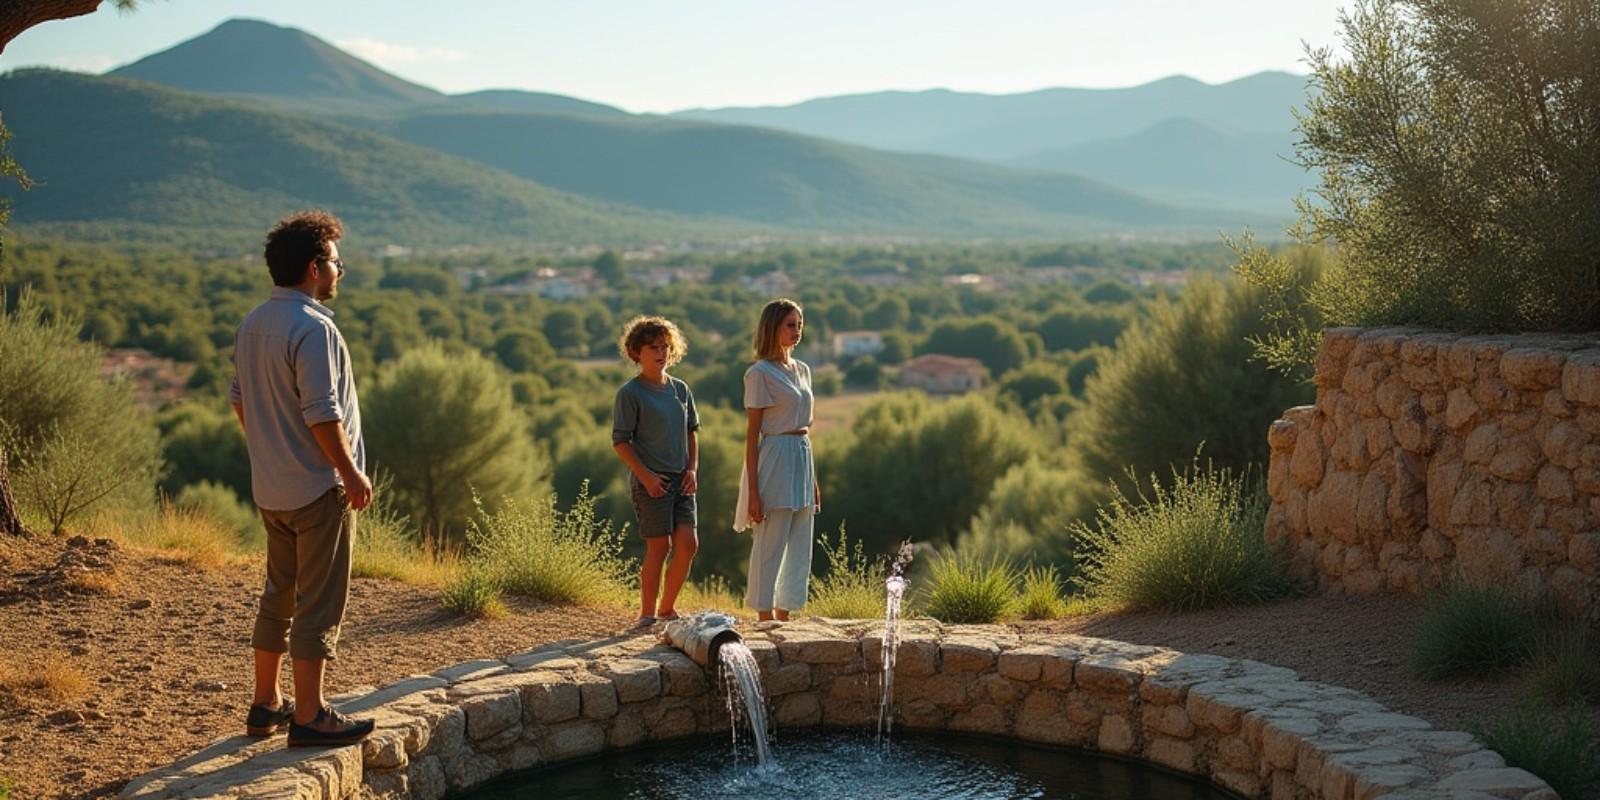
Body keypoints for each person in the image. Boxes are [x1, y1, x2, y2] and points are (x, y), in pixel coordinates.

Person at [230, 210, 375, 747]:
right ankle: (310, 715)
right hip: (318, 491)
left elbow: (240, 401)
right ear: (315, 268)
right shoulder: (314, 329)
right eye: (337, 261)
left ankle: (266, 704)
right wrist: (350, 473)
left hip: (271, 489)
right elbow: (322, 413)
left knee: (278, 596)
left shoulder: (253, 323)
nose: (341, 270)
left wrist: (271, 449)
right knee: (318, 603)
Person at [611, 316, 700, 629]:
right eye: (653, 347)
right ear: (637, 351)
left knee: (688, 545)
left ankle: (667, 609)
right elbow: (620, 442)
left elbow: (692, 432)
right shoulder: (630, 393)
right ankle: (647, 614)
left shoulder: (681, 389)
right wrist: (647, 477)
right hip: (652, 482)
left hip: (682, 479)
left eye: (665, 346)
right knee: (659, 546)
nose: (661, 352)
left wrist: (692, 469)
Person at [735, 299, 820, 622]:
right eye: (790, 324)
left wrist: (813, 479)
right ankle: (764, 614)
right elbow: (753, 433)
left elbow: (804, 427)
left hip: (802, 453)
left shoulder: (803, 370)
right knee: (771, 539)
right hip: (774, 455)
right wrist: (753, 492)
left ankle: (786, 613)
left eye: (799, 324)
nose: (797, 331)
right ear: (773, 327)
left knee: (800, 540)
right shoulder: (759, 373)